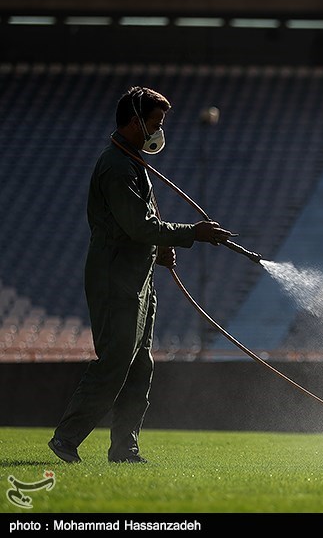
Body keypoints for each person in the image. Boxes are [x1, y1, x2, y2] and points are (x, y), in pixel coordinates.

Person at [48, 86, 235, 464]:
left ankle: (124, 449)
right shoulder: (116, 167)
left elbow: (140, 228)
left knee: (140, 364)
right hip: (115, 278)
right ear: (135, 121)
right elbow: (139, 226)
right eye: (155, 123)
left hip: (138, 277)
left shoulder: (132, 162)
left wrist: (158, 249)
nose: (158, 130)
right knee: (116, 361)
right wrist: (191, 234)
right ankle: (66, 439)